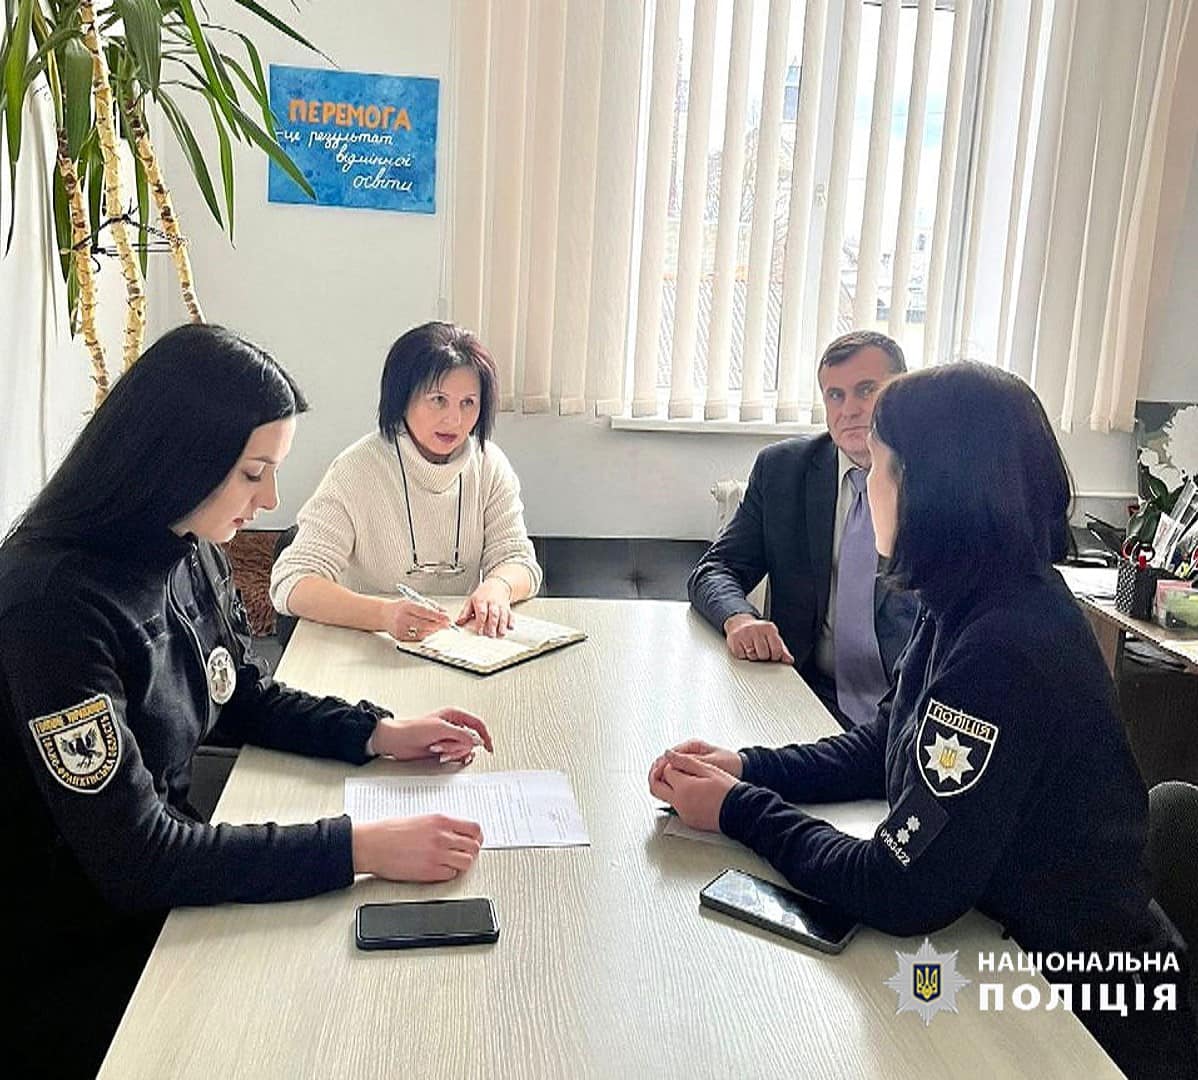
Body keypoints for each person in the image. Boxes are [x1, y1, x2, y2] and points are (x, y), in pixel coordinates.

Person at [652, 363, 1197, 1077]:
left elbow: (900, 887)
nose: (868, 482)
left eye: (880, 466)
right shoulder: (969, 598)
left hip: (1082, 1016)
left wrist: (739, 810)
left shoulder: (1003, 649)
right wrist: (750, 768)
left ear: (929, 489)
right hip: (1011, 948)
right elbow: (890, 742)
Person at [0, 324, 491, 1079]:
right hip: (75, 942)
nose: (270, 501)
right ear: (178, 461)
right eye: (253, 473)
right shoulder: (54, 608)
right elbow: (138, 858)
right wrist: (359, 847)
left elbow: (239, 694)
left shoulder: (187, 543)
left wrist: (377, 733)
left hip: (169, 892)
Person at [688, 330, 918, 728]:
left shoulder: (936, 480)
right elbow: (715, 569)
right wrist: (739, 619)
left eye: (867, 390)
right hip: (806, 695)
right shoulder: (783, 471)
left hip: (907, 710)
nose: (849, 409)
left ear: (901, 394)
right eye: (835, 395)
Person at [270, 321, 542, 641]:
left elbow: (519, 560)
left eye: (468, 402)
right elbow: (292, 580)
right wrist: (382, 616)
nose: (454, 419)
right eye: (438, 399)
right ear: (402, 398)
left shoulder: (490, 465)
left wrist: (499, 586)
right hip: (365, 640)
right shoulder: (357, 469)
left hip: (450, 642)